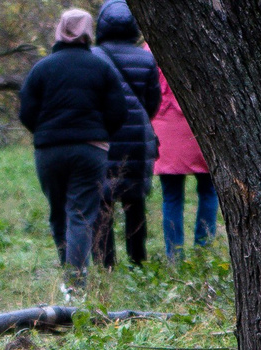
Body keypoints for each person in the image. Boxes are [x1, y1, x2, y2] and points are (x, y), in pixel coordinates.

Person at [17, 9, 130, 282]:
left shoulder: (42, 68)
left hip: (49, 151)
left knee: (58, 213)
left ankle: (69, 276)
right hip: (90, 150)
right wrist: (101, 134)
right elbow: (118, 111)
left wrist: (45, 133)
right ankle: (75, 281)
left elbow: (26, 112)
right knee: (80, 214)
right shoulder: (102, 68)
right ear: (89, 32)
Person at [90, 0, 159, 269]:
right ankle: (138, 262)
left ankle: (105, 263)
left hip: (104, 137)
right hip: (138, 141)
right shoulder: (146, 57)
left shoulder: (93, 56)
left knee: (103, 202)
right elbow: (152, 101)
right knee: (134, 202)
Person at [149, 67, 215, 261]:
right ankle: (203, 251)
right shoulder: (207, 45)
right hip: (200, 126)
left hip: (167, 128)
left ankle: (174, 256)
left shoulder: (151, 49)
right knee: (208, 191)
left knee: (171, 196)